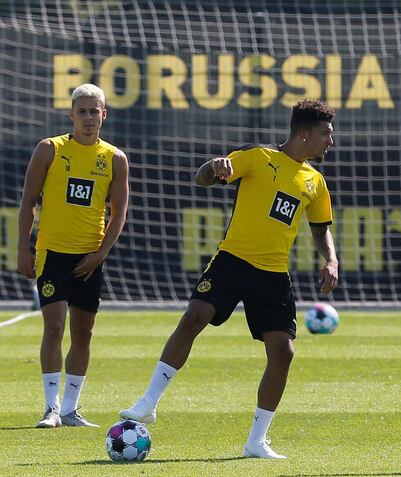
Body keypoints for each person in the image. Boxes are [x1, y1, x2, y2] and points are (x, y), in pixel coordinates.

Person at [120, 99, 339, 460]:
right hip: (232, 261)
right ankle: (148, 403)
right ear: (303, 134)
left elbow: (320, 229)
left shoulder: (315, 182)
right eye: (325, 134)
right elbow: (203, 178)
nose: (330, 141)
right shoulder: (257, 157)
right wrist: (213, 165)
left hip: (272, 274)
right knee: (194, 317)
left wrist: (330, 259)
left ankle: (256, 441)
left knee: (283, 353)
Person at [17, 83, 130, 428]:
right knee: (54, 328)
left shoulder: (114, 158)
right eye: (81, 111)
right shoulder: (49, 149)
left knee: (84, 332)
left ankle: (70, 408)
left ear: (104, 114)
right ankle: (51, 408)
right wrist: (24, 247)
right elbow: (28, 202)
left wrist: (100, 254)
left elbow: (119, 213)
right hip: (53, 254)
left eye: (94, 111)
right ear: (71, 115)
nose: (88, 117)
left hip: (89, 259)